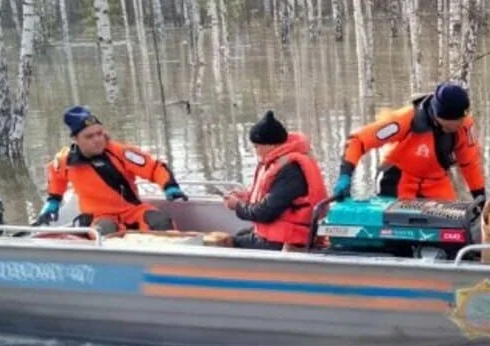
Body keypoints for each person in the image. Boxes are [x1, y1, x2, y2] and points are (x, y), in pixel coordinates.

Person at [35, 106, 188, 234]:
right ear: (76, 139)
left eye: (99, 134)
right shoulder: (65, 160)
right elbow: (56, 178)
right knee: (104, 232)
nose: (97, 140)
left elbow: (154, 167)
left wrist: (170, 186)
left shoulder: (121, 152)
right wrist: (53, 203)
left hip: (132, 211)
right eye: (89, 136)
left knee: (161, 222)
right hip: (98, 216)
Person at [332, 81, 486, 203]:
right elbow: (359, 140)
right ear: (439, 116)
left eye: (462, 119)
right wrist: (345, 175)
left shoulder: (465, 127)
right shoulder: (402, 122)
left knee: (453, 227)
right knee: (400, 230)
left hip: (436, 181)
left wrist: (479, 196)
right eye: (455, 121)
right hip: (400, 179)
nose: (460, 124)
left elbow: (469, 163)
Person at [224, 110, 329, 251]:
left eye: (257, 146)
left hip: (291, 238)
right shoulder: (281, 162)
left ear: (271, 145)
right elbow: (273, 199)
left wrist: (237, 206)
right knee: (240, 234)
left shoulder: (290, 170)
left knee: (227, 243)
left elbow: (266, 212)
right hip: (283, 230)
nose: (255, 151)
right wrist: (246, 197)